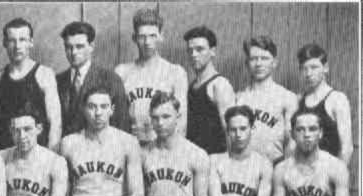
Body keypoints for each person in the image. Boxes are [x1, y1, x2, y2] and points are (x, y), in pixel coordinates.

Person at [115, 8, 188, 145]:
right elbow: (116, 119)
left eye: (153, 36)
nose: (147, 42)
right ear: (134, 38)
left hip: (162, 147)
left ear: (161, 36)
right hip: (132, 146)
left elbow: (181, 122)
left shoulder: (175, 72)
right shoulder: (122, 72)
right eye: (142, 36)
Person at [0, 18, 62, 151]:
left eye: (22, 40)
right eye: (12, 40)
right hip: (8, 156)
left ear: (31, 42)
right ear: (4, 43)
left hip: (37, 157)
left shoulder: (44, 74)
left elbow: (55, 123)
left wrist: (49, 159)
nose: (17, 46)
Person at [57, 21, 129, 136]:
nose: (73, 52)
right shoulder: (57, 81)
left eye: (79, 47)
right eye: (68, 47)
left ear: (91, 46)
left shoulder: (111, 80)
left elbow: (121, 125)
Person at [237, 36, 298, 164]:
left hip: (275, 165)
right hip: (245, 169)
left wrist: (284, 172)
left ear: (274, 63)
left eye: (264, 58)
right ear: (247, 63)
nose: (259, 64)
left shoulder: (287, 97)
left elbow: (292, 142)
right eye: (254, 59)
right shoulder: (239, 98)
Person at [297, 43, 353, 165]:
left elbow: (346, 148)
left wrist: (336, 178)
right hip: (302, 175)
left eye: (314, 67)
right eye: (304, 68)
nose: (308, 73)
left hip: (327, 175)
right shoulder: (299, 100)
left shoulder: (337, 99)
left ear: (326, 68)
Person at [184, 26, 235, 154]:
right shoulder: (192, 86)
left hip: (215, 161)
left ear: (212, 51)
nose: (194, 55)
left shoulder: (220, 85)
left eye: (199, 49)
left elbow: (231, 130)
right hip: (194, 161)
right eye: (190, 50)